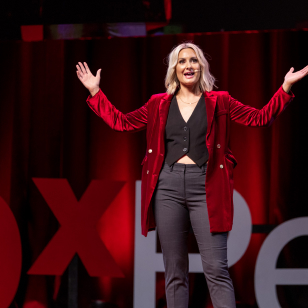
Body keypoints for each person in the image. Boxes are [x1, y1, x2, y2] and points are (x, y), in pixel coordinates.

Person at [76, 42, 308, 308]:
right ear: (174, 69)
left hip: (207, 186)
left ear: (202, 67)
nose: (188, 66)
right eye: (182, 61)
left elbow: (260, 118)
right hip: (167, 187)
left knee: (217, 270)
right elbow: (122, 122)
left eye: (194, 60)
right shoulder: (158, 104)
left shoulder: (220, 101)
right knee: (175, 272)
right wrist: (95, 91)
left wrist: (285, 87)